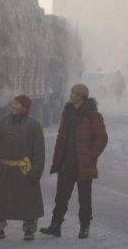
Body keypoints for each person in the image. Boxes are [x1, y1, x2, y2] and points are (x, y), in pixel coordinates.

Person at [40, 84, 108, 239]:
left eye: (74, 93)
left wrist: (91, 155)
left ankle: (84, 228)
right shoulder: (68, 112)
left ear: (81, 96)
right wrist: (58, 156)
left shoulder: (93, 115)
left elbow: (102, 138)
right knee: (61, 196)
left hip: (83, 163)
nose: (70, 95)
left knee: (84, 198)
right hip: (66, 162)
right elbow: (61, 135)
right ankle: (55, 226)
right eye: (71, 92)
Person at [0, 95, 45, 241]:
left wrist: (36, 172)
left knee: (28, 201)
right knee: (0, 201)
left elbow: (39, 152)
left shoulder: (34, 125)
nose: (13, 105)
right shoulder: (5, 121)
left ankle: (29, 229)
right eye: (14, 102)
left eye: (17, 104)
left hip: (25, 170)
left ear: (25, 108)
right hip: (5, 169)